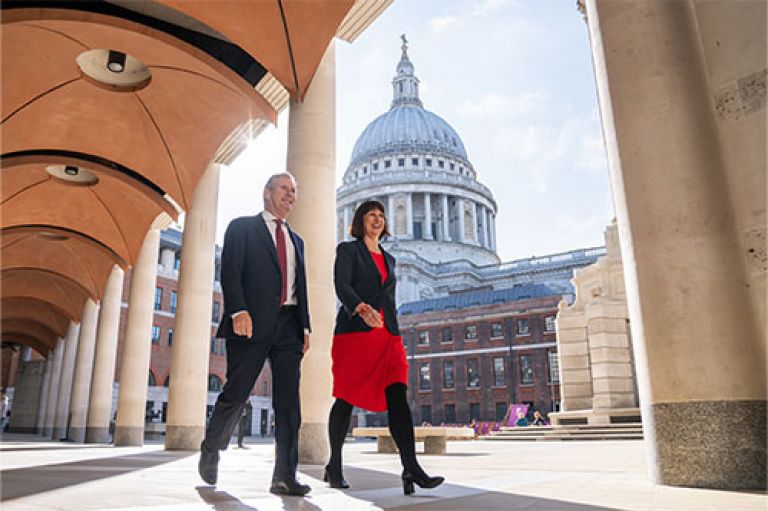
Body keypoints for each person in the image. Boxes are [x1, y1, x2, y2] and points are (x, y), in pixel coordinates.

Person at [198, 173, 312, 497]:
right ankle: (211, 446)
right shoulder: (241, 227)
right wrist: (238, 311)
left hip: (289, 326)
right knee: (237, 390)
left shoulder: (297, 240)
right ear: (267, 193)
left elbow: (299, 288)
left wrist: (306, 326)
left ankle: (284, 476)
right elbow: (230, 271)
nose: (291, 195)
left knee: (289, 403)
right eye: (285, 189)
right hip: (249, 322)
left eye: (294, 190)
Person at [325, 200, 444, 495]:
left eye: (381, 215)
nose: (377, 220)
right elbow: (342, 285)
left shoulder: (390, 259)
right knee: (345, 397)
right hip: (355, 334)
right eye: (371, 215)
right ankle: (335, 465)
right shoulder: (348, 250)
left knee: (398, 397)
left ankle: (411, 467)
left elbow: (389, 299)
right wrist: (362, 309)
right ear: (360, 220)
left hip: (388, 335)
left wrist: (394, 329)